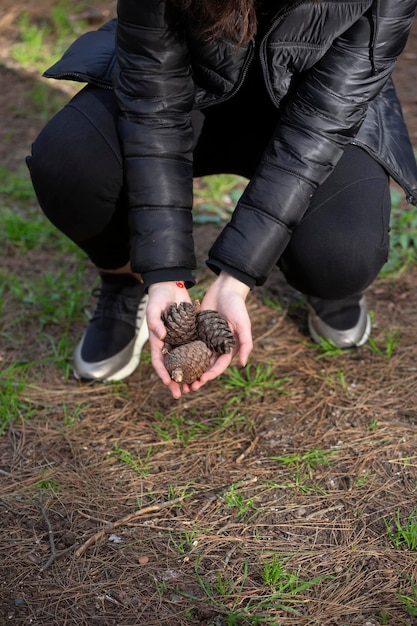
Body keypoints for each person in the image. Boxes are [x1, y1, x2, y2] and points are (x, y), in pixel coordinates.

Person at [27, 0, 417, 399]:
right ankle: (127, 279)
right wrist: (163, 271)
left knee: (342, 257)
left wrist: (238, 276)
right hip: (183, 84)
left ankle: (327, 284)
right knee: (68, 164)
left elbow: (322, 124)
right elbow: (151, 106)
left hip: (314, 111)